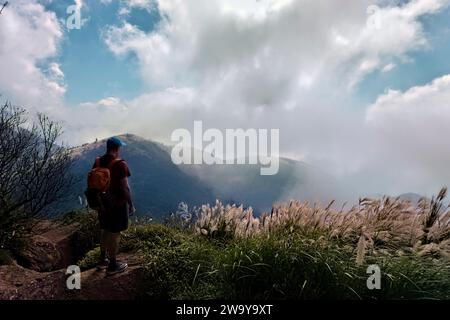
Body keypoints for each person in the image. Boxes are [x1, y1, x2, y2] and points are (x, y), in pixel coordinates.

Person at [93, 136, 135, 275]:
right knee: (115, 233)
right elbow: (125, 188)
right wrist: (131, 204)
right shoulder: (120, 164)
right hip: (117, 205)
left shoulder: (98, 161)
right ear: (117, 149)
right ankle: (112, 265)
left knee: (105, 229)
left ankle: (102, 260)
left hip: (102, 203)